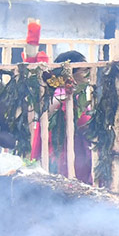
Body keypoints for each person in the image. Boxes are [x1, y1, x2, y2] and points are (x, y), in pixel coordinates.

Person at [32, 50, 92, 182]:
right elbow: (84, 124)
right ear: (70, 73)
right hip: (60, 159)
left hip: (70, 157)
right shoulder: (61, 96)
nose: (89, 74)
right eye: (85, 70)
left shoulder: (70, 94)